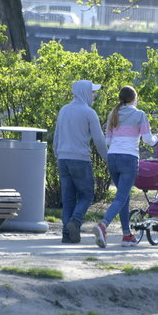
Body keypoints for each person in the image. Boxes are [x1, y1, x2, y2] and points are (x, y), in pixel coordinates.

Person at [92, 85, 158, 248]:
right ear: (134, 98)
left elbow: (107, 141)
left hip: (112, 158)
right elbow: (147, 140)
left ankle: (127, 235)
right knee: (121, 197)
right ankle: (103, 225)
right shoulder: (139, 114)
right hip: (128, 159)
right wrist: (157, 137)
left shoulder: (113, 114)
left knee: (124, 197)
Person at [52, 80, 108, 244]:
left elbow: (56, 137)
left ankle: (66, 234)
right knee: (87, 195)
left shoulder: (64, 110)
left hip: (63, 159)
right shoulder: (89, 113)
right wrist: (106, 158)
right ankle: (75, 222)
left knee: (68, 198)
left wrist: (58, 155)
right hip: (80, 159)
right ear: (84, 92)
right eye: (92, 92)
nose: (95, 95)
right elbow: (99, 140)